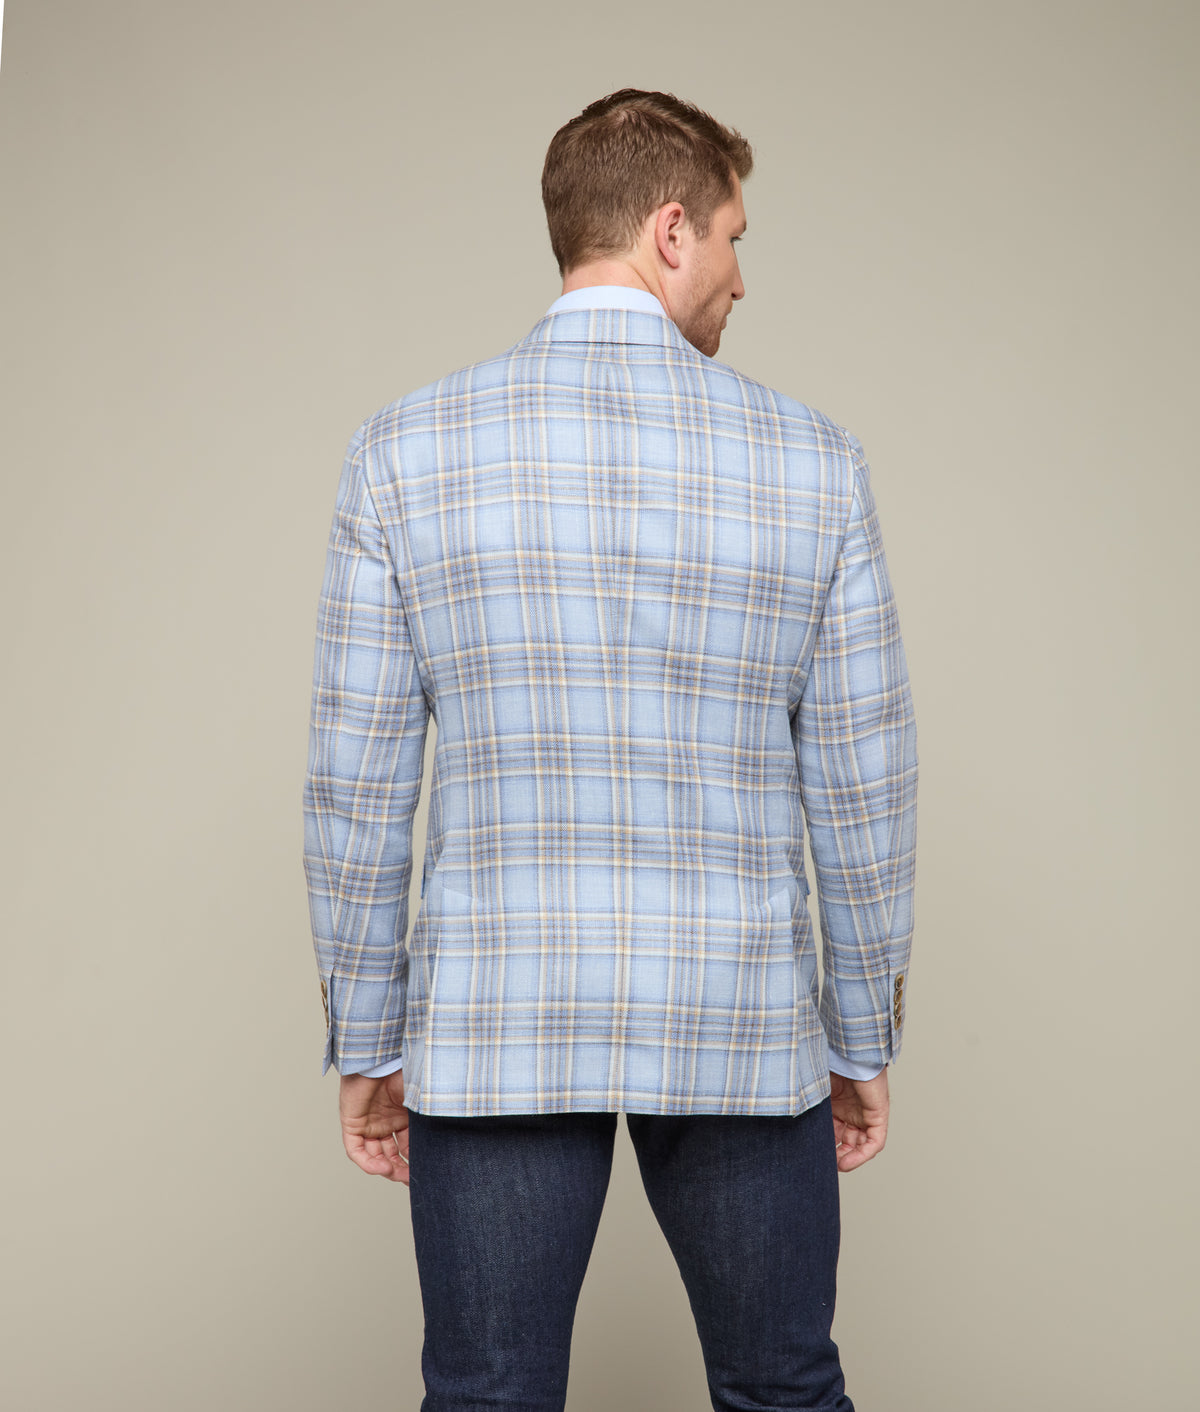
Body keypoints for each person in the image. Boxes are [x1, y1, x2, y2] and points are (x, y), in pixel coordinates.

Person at [303, 87, 917, 1412]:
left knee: (487, 1397)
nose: (744, 279)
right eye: (737, 240)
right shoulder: (815, 462)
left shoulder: (405, 452)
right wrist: (861, 1033)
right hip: (742, 1020)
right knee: (786, 1390)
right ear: (672, 229)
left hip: (496, 1020)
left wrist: (367, 1036)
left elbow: (356, 784)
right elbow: (864, 779)